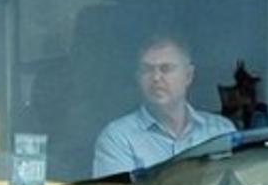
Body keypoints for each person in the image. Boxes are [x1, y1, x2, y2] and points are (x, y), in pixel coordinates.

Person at [92, 33, 235, 177]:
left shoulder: (220, 132)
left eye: (166, 69)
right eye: (147, 69)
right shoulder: (118, 138)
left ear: (188, 75)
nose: (156, 78)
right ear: (138, 77)